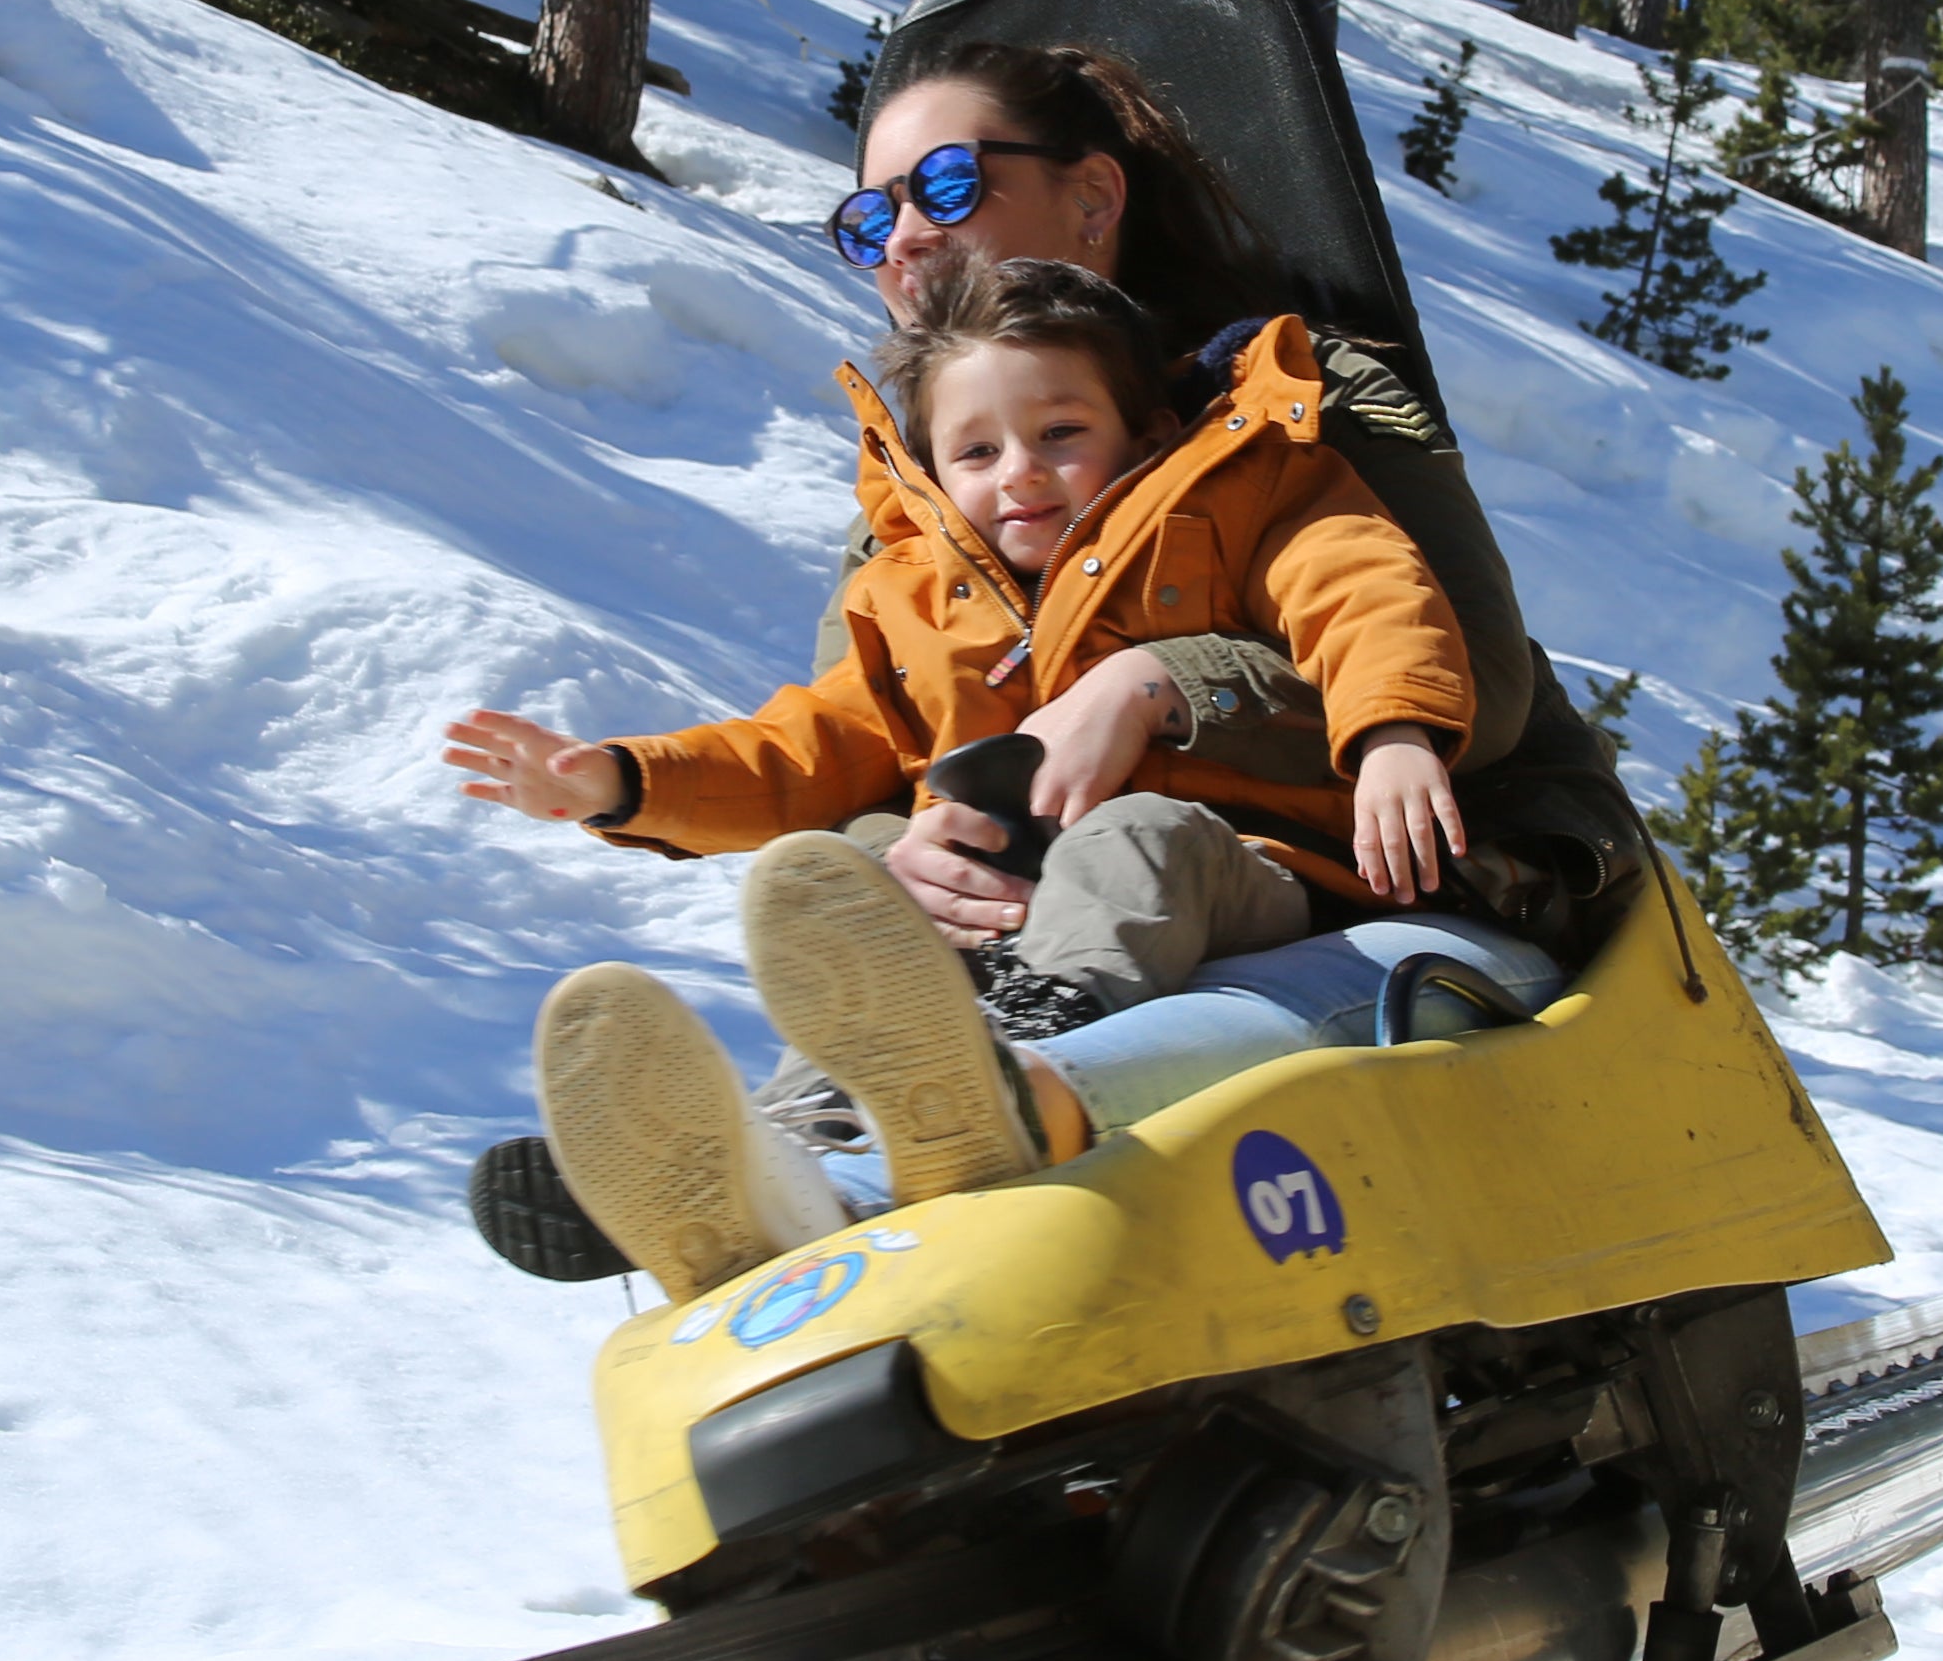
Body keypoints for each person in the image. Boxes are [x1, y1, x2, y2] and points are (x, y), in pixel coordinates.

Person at [446, 252, 1488, 1299]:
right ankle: (786, 1144)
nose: (1020, 473)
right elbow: (811, 745)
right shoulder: (918, 599)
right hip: (1014, 916)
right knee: (851, 859)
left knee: (1134, 834)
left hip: (1246, 874)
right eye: (977, 450)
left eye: (1061, 435)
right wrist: (626, 782)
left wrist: (1395, 729)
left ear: (1147, 432)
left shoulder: (1234, 494)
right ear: (934, 471)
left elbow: (1361, 592)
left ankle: (1025, 1057)